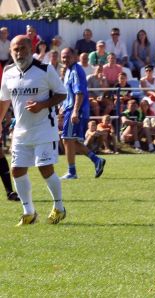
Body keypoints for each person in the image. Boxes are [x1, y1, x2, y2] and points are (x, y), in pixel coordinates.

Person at [0, 35, 67, 225]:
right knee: (16, 170)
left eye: (23, 48)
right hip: (21, 131)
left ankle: (59, 208)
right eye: (15, 49)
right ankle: (29, 212)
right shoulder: (8, 71)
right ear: (11, 51)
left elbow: (62, 93)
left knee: (45, 169)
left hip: (44, 129)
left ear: (31, 49)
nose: (19, 53)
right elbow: (4, 99)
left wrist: (43, 104)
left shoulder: (45, 69)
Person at [59, 48, 106, 180]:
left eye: (67, 56)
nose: (64, 59)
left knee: (67, 140)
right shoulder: (69, 70)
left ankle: (72, 172)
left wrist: (74, 111)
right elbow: (70, 93)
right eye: (63, 57)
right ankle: (97, 160)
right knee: (70, 140)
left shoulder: (76, 70)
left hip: (76, 110)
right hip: (71, 109)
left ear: (74, 56)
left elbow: (79, 93)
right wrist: (63, 106)